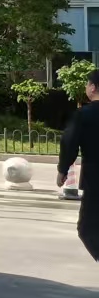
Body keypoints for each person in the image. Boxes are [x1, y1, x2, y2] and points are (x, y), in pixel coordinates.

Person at [57, 69, 99, 260]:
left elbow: (69, 142)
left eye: (87, 84)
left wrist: (62, 170)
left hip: (95, 180)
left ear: (93, 87)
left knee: (87, 228)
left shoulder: (84, 115)